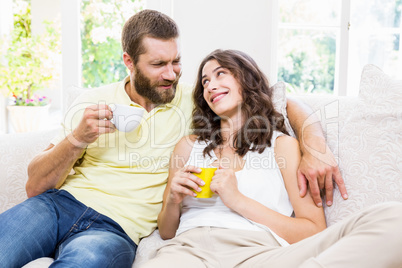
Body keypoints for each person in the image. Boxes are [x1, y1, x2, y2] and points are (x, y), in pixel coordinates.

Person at [0, 10, 343, 267]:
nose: (171, 74)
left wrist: (314, 143)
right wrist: (77, 139)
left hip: (115, 229)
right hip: (59, 205)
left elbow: (276, 98)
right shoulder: (91, 101)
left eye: (177, 62)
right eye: (159, 64)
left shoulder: (194, 102)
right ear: (129, 63)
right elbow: (35, 185)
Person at [140, 49, 402, 268]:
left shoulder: (282, 146)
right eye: (205, 81)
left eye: (221, 74)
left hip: (260, 254)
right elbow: (166, 231)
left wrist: (237, 200)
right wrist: (173, 201)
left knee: (394, 219)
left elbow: (312, 230)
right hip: (188, 252)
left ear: (246, 79)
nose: (211, 85)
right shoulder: (188, 146)